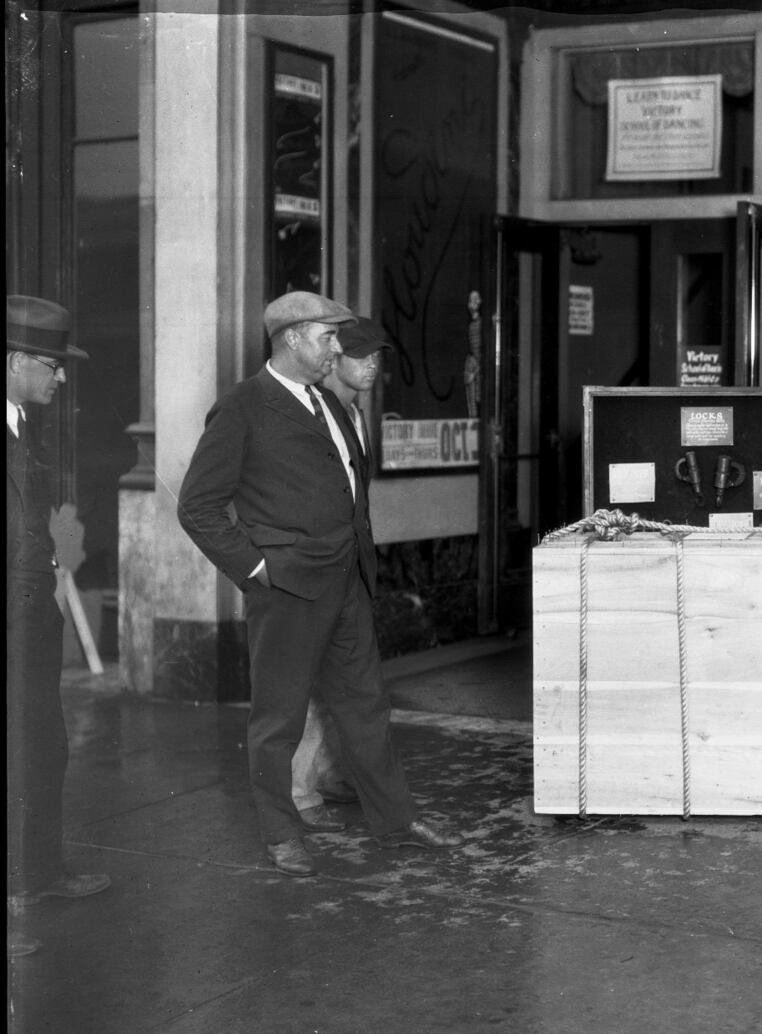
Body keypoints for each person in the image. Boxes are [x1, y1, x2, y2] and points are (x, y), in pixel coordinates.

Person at [177, 291, 460, 876]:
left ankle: (396, 821)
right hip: (287, 590)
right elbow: (198, 506)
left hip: (346, 584)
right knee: (278, 720)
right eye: (328, 337)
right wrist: (258, 570)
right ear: (293, 339)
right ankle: (281, 833)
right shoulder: (242, 407)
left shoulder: (328, 405)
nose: (338, 348)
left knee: (366, 709)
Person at [7, 296, 110, 956]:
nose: (62, 378)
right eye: (53, 365)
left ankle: (34, 874)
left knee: (42, 748)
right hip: (15, 621)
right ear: (16, 362)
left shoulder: (23, 427)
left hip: (30, 622)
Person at [287, 316, 393, 836]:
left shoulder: (353, 410)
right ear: (334, 360)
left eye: (377, 356)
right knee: (306, 685)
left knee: (343, 683)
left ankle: (328, 776)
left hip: (350, 569)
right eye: (360, 354)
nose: (371, 365)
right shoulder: (312, 413)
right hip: (311, 573)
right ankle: (299, 794)